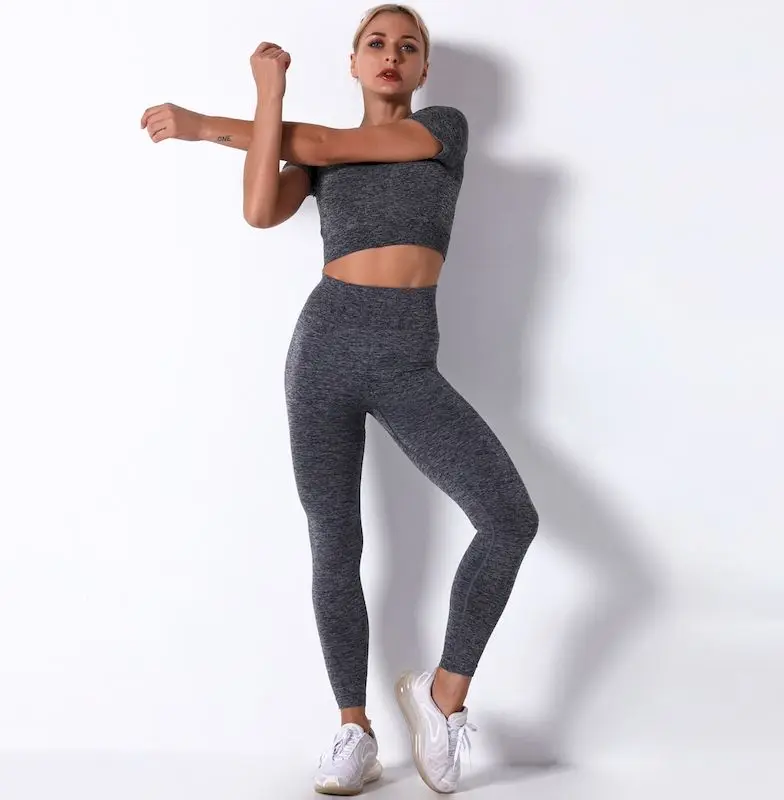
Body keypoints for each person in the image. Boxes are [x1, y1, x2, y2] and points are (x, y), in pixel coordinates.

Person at [140, 4, 539, 795]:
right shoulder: (318, 154)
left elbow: (319, 143)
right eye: (376, 43)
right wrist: (269, 96)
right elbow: (260, 209)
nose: (392, 55)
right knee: (336, 543)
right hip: (323, 349)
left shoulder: (442, 132)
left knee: (507, 519)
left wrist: (201, 125)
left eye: (408, 46)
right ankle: (353, 730)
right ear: (353, 62)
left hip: (406, 360)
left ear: (424, 69)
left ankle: (442, 697)